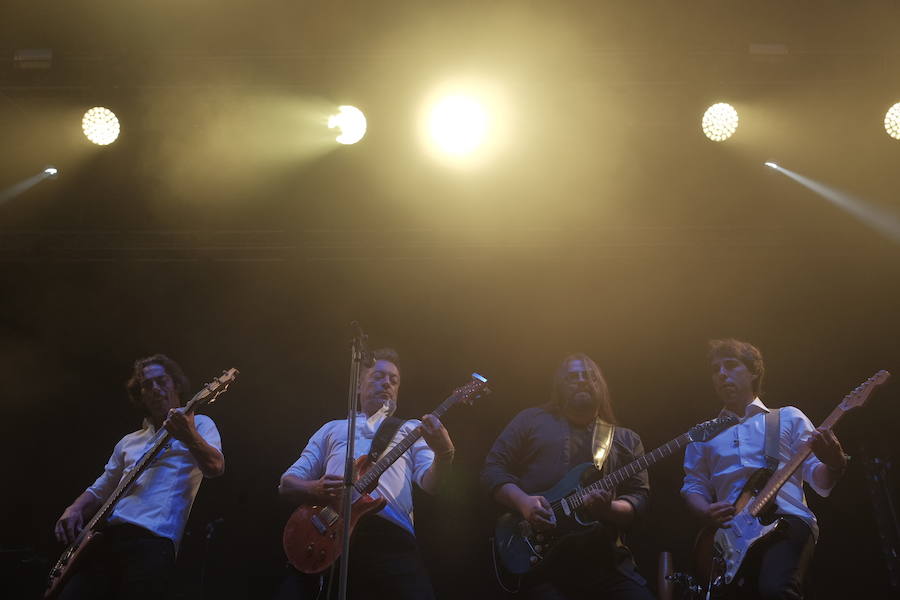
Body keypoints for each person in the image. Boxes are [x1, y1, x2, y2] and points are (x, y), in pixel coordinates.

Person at [277, 347, 455, 600]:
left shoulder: (412, 428)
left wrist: (444, 454)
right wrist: (314, 488)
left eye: (394, 381)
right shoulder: (333, 428)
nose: (387, 384)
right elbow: (287, 484)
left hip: (390, 539)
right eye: (378, 377)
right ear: (358, 387)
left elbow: (431, 484)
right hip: (327, 532)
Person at [682, 339, 848, 599]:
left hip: (786, 522)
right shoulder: (703, 434)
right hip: (730, 539)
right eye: (716, 369)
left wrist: (835, 461)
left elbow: (821, 482)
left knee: (775, 591)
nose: (722, 374)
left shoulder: (788, 417)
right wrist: (706, 511)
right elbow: (693, 485)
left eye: (731, 365)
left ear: (754, 371)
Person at [481, 352, 654, 600]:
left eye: (589, 376)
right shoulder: (530, 420)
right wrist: (524, 502)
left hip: (604, 564)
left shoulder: (626, 439)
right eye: (573, 376)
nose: (582, 380)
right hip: (539, 562)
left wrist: (608, 509)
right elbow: (492, 469)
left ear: (601, 386)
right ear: (559, 387)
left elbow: (639, 497)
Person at [53, 354, 225, 599]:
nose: (155, 389)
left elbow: (215, 467)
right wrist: (74, 508)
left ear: (175, 384)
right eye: (147, 385)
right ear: (140, 394)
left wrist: (187, 434)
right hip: (105, 541)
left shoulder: (201, 424)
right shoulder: (128, 441)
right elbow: (102, 486)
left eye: (161, 381)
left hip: (154, 541)